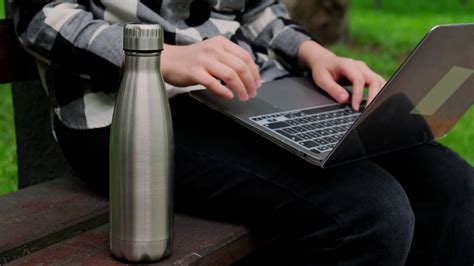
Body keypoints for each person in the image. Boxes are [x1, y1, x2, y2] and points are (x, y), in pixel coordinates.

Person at [10, 1, 474, 265]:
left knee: (454, 188)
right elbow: (40, 17)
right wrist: (161, 57)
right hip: (132, 104)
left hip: (253, 89)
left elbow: (253, 11)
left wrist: (312, 53)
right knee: (372, 211)